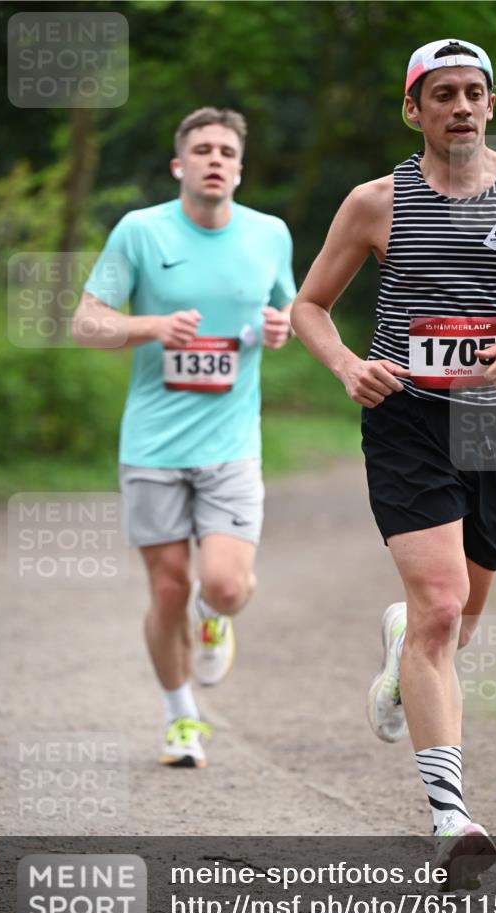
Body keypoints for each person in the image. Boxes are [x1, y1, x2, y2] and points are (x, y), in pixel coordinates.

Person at [291, 40, 496, 885]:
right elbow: (310, 307)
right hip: (404, 417)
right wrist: (345, 366)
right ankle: (450, 816)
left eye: (474, 92)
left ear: (490, 103)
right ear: (414, 109)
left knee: (457, 623)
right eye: (442, 94)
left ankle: (403, 641)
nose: (461, 108)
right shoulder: (374, 204)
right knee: (441, 606)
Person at [73, 107, 296, 769]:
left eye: (226, 149)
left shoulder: (268, 234)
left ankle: (214, 615)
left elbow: (289, 308)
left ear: (239, 167)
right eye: (201, 148)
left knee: (223, 586)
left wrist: (280, 326)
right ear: (180, 165)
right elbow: (87, 324)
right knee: (166, 589)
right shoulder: (140, 232)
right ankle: (181, 720)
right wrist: (152, 327)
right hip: (152, 444)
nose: (214, 158)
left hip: (230, 444)